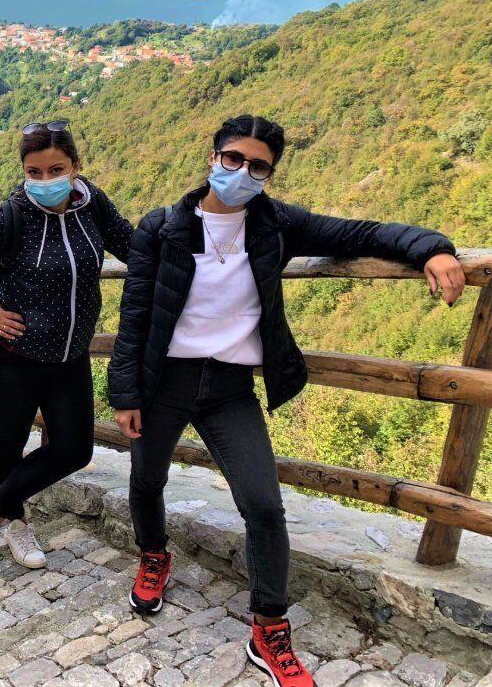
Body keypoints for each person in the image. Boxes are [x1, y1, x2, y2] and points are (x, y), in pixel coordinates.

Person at [107, 114, 464, 687]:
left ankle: (268, 626)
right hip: (164, 382)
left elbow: (360, 233)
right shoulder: (163, 227)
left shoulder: (276, 224)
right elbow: (134, 316)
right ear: (212, 156)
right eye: (233, 158)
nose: (242, 172)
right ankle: (154, 555)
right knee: (147, 481)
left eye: (258, 166)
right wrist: (124, 391)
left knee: (264, 506)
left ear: (269, 173)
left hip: (230, 390)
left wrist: (434, 249)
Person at [0, 120, 134, 570]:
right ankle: (15, 523)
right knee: (12, 438)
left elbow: (131, 245)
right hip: (11, 354)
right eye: (34, 172)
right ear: (23, 171)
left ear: (76, 167)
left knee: (75, 448)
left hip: (69, 354)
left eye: (55, 169)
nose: (45, 181)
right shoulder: (11, 216)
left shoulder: (92, 204)